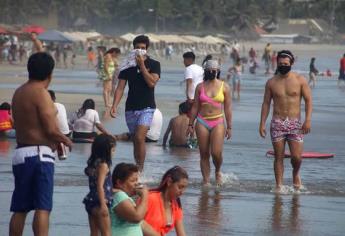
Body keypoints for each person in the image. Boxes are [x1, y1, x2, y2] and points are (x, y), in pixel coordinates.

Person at [9, 52, 72, 236]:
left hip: (20, 154)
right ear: (50, 74)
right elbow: (50, 129)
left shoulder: (18, 92)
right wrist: (65, 139)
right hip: (39, 155)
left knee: (20, 208)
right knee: (43, 207)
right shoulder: (42, 94)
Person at [259, 50, 312, 191]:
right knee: (279, 157)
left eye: (286, 64)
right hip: (277, 123)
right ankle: (279, 185)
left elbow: (308, 101)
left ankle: (295, 173)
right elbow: (265, 103)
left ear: (291, 63)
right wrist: (262, 123)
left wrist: (307, 120)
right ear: (277, 63)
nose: (283, 66)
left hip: (295, 124)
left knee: (296, 157)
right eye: (281, 64)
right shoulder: (271, 82)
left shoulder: (300, 80)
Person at [111, 35, 161, 171]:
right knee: (135, 141)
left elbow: (151, 82)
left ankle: (141, 169)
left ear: (147, 49)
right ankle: (137, 171)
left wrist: (142, 66)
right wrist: (114, 105)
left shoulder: (154, 64)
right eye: (137, 48)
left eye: (143, 48)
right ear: (133, 49)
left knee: (140, 138)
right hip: (131, 108)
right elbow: (120, 87)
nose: (140, 50)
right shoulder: (127, 66)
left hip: (147, 107)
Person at [187, 60, 232, 186]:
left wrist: (229, 127)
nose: (212, 72)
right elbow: (195, 106)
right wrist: (190, 124)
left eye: (214, 70)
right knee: (204, 153)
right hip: (202, 121)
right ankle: (206, 181)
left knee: (216, 153)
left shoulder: (225, 86)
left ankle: (217, 170)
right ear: (205, 71)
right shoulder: (200, 87)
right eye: (210, 70)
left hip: (218, 121)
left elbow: (228, 108)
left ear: (218, 71)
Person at [83, 134, 116, 236]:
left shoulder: (93, 164)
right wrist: (103, 205)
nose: (114, 153)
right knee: (106, 233)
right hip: (100, 202)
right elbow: (100, 186)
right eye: (113, 150)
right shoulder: (104, 165)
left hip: (91, 201)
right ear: (106, 150)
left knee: (94, 233)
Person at [142, 166, 188, 236]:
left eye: (184, 188)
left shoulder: (176, 205)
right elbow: (136, 223)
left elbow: (181, 233)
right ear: (169, 182)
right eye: (180, 187)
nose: (182, 192)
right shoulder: (150, 198)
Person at [110, 163, 149, 236]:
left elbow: (141, 223)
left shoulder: (125, 197)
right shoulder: (119, 195)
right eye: (133, 180)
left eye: (137, 180)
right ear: (119, 183)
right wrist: (145, 196)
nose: (137, 184)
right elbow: (137, 217)